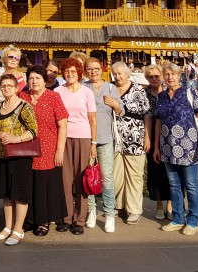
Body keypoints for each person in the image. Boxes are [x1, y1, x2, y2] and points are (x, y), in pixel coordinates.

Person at [153, 61, 198, 236]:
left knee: (191, 185)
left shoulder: (189, 93)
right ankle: (178, 218)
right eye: (167, 74)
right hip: (168, 148)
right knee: (174, 185)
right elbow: (158, 122)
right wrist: (156, 147)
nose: (170, 77)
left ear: (180, 76)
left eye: (173, 74)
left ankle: (193, 220)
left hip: (189, 148)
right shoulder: (161, 97)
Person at [0, 74, 39, 246]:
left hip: (20, 157)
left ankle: (18, 229)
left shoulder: (24, 106)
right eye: (3, 86)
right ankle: (7, 226)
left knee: (20, 193)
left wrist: (15, 139)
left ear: (16, 88)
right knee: (6, 194)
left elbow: (33, 130)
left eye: (9, 86)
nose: (6, 89)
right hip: (2, 156)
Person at [21, 65, 68, 237]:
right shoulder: (22, 96)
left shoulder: (53, 97)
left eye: (38, 78)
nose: (34, 81)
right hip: (25, 148)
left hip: (48, 146)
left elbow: (63, 125)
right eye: (31, 78)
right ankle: (28, 219)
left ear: (44, 80)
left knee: (44, 185)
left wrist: (59, 150)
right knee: (29, 183)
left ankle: (43, 221)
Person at [54, 58, 96, 235]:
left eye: (73, 71)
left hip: (83, 138)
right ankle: (65, 218)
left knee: (81, 181)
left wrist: (94, 143)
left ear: (79, 73)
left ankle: (79, 220)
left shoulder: (87, 92)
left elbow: (92, 119)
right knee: (65, 180)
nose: (70, 74)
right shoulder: (57, 91)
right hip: (63, 138)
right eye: (66, 71)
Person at [83, 57, 123, 232]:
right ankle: (91, 210)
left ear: (102, 69)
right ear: (85, 71)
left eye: (96, 69)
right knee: (89, 176)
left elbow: (121, 111)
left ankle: (109, 214)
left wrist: (115, 104)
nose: (93, 72)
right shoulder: (83, 87)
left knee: (107, 177)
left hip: (105, 137)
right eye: (90, 69)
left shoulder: (110, 87)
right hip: (86, 138)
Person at [112, 61, 151, 225]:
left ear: (128, 74)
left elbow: (147, 113)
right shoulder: (110, 88)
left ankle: (134, 210)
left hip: (135, 137)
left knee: (134, 175)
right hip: (114, 138)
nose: (118, 76)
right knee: (117, 175)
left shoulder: (138, 90)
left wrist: (147, 137)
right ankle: (120, 206)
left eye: (121, 73)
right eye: (115, 73)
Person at [143, 64, 171, 220]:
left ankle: (171, 204)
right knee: (155, 170)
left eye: (156, 76)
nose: (154, 79)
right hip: (150, 133)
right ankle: (159, 203)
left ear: (162, 76)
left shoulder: (169, 93)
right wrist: (147, 138)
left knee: (171, 170)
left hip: (169, 134)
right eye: (150, 76)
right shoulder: (143, 93)